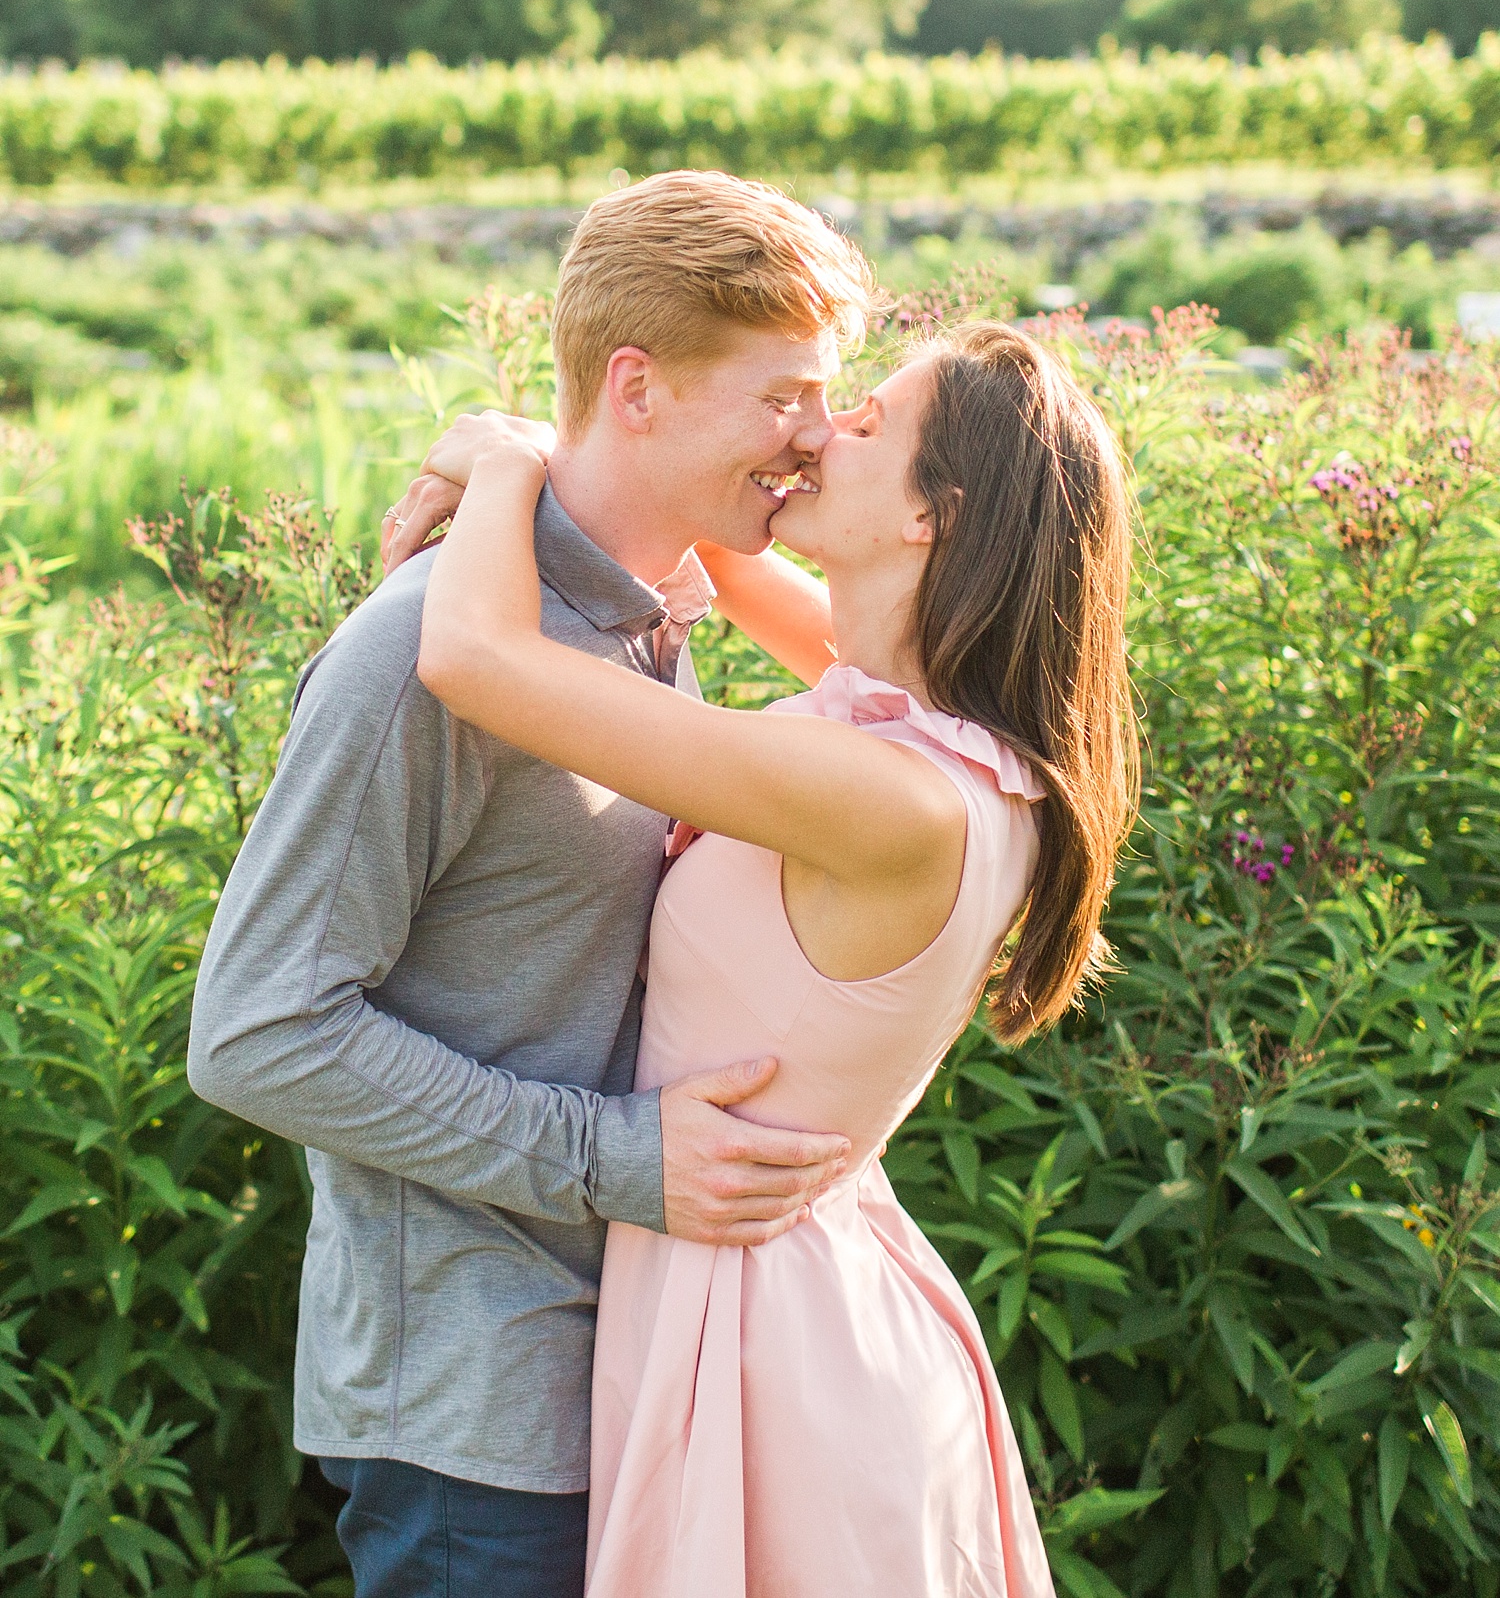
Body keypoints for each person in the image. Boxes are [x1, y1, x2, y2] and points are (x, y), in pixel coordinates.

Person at [187, 172, 880, 1598]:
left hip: (628, 1364)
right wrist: (613, 1155)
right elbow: (258, 1027)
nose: (815, 441)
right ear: (640, 385)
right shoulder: (417, 657)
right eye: (787, 397)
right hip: (478, 1423)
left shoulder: (638, 626)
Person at [407, 314, 1137, 1597]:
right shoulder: (957, 742)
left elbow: (472, 659)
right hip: (800, 1289)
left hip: (765, 1342)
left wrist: (510, 458)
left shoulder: (885, 799)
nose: (819, 428)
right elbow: (735, 571)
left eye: (865, 424)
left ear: (931, 517)